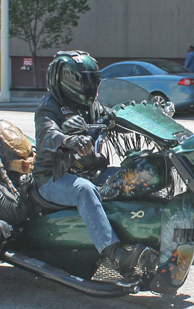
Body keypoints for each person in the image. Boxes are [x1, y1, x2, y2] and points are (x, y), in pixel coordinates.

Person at [33, 50, 144, 278]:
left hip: (88, 170)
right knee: (83, 190)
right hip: (52, 178)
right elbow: (47, 135)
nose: (89, 86)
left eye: (92, 80)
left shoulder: (90, 105)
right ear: (65, 80)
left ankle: (144, 235)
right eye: (84, 80)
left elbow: (111, 117)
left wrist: (136, 116)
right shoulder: (49, 108)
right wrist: (68, 140)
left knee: (131, 175)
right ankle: (114, 255)